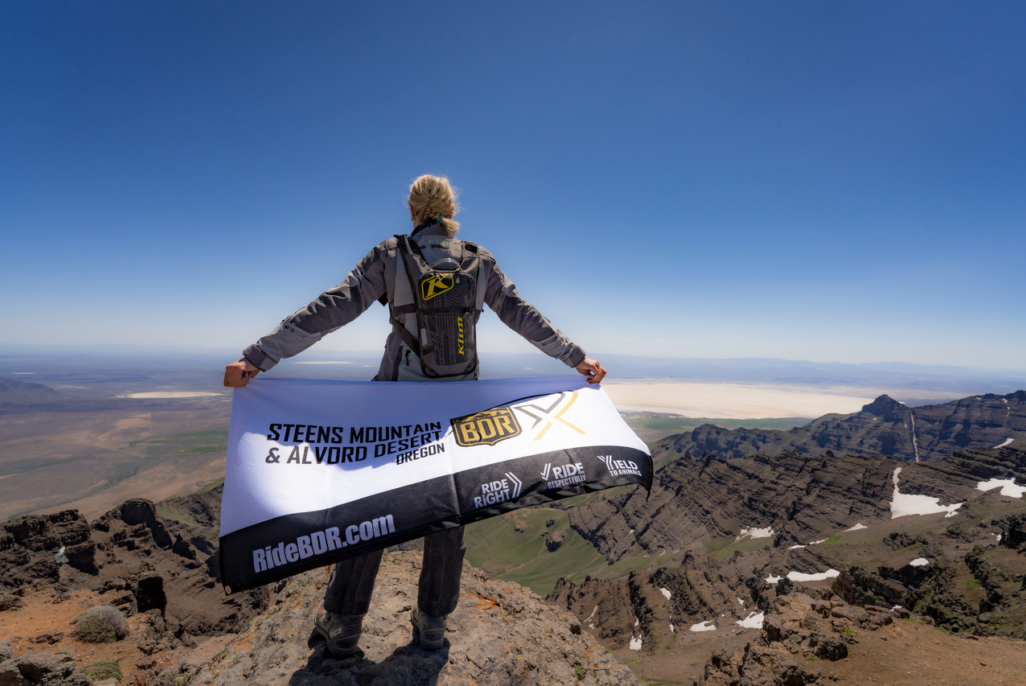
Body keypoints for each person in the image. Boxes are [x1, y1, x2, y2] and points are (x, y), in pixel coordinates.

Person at [223, 175, 606, 657]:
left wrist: (258, 357)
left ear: (412, 211)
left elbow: (332, 308)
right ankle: (432, 624)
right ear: (451, 212)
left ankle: (344, 623)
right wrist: (576, 358)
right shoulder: (479, 261)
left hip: (394, 408)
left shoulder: (391, 254)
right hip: (459, 412)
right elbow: (521, 314)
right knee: (450, 509)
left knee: (369, 510)